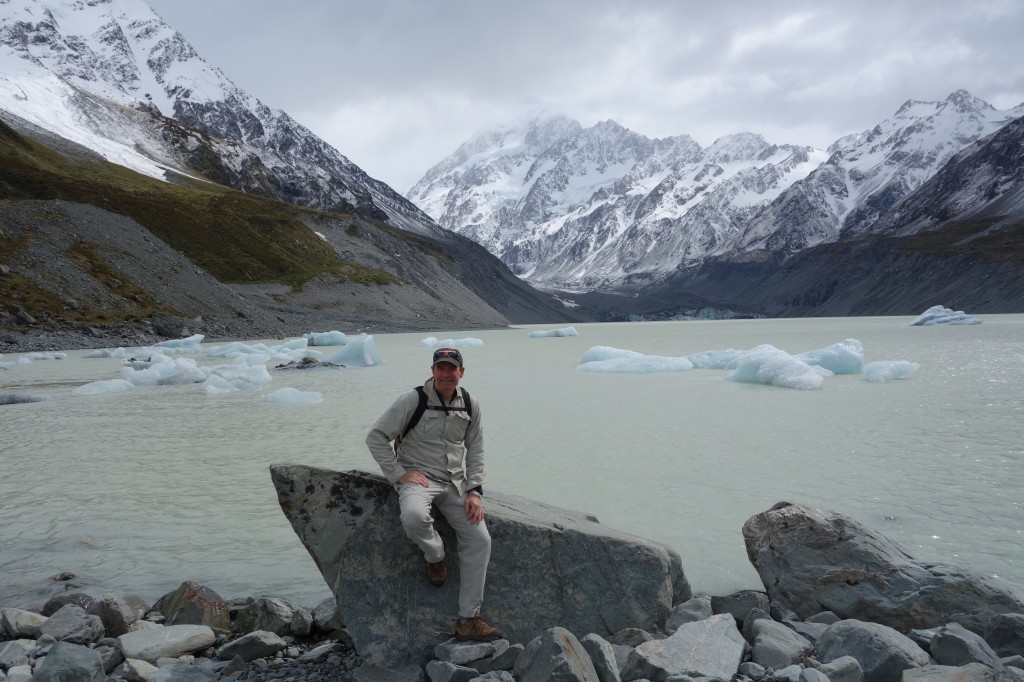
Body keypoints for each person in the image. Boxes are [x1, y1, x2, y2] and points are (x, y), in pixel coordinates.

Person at [365, 347, 501, 642]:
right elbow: (376, 437)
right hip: (419, 479)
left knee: (480, 538)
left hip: (454, 484)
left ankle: (468, 619)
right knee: (413, 516)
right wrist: (398, 473)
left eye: (452, 369)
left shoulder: (470, 404)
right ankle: (435, 554)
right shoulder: (412, 400)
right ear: (432, 370)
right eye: (441, 368)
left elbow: (475, 449)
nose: (446, 374)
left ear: (461, 373)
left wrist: (475, 491)